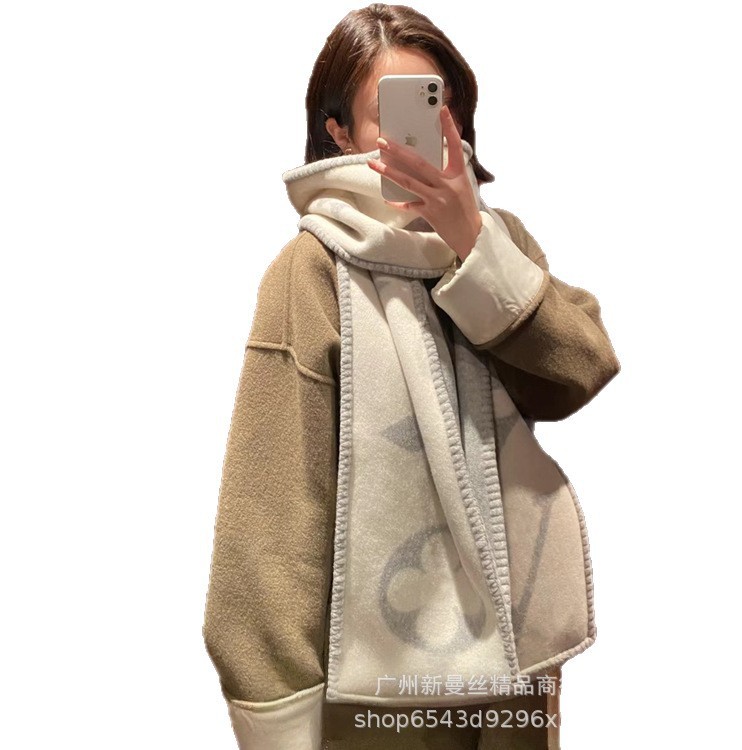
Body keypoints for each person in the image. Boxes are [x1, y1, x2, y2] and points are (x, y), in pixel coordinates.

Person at [202, 4, 620, 749]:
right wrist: (272, 701)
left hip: (515, 669)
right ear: (339, 132)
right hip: (374, 685)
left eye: (437, 106)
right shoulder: (312, 270)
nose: (425, 130)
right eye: (390, 113)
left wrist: (474, 246)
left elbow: (581, 371)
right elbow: (271, 522)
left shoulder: (499, 242)